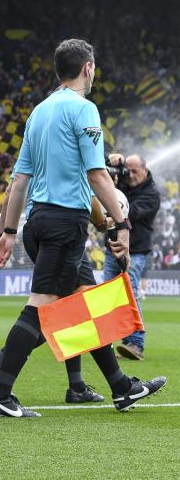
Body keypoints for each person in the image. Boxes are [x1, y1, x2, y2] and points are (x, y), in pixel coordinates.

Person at [0, 38, 165, 418]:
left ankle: (120, 387)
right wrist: (122, 222)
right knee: (40, 306)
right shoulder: (84, 109)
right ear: (87, 68)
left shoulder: (38, 112)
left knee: (85, 302)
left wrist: (9, 233)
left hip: (38, 221)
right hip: (65, 223)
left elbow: (18, 181)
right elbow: (97, 175)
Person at [0, 182, 107, 404]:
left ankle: (78, 386)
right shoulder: (73, 149)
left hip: (39, 225)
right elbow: (91, 183)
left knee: (72, 308)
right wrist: (106, 222)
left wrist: (4, 235)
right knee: (79, 305)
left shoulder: (34, 147)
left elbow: (11, 191)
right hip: (64, 229)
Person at [101, 153, 159, 360]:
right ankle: (107, 342)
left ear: (145, 169)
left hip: (135, 252)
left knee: (130, 293)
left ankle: (136, 343)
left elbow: (126, 212)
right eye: (128, 171)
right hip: (113, 248)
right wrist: (110, 159)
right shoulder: (123, 184)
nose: (131, 175)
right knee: (107, 296)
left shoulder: (151, 194)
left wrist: (113, 190)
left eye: (135, 171)